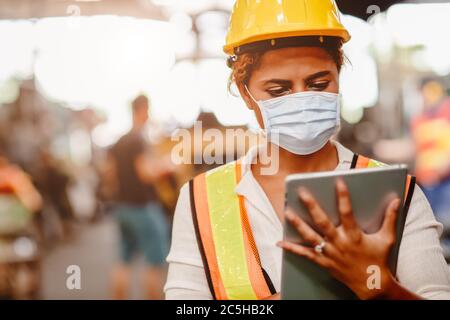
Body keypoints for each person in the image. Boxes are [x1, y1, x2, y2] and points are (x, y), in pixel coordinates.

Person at [164, 0, 450, 300]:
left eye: (318, 83)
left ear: (339, 74)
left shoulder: (397, 194)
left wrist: (379, 288)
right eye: (278, 90)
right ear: (244, 92)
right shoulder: (202, 199)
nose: (301, 100)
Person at [109, 95, 169, 300]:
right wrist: (165, 166)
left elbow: (110, 175)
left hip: (122, 207)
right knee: (154, 263)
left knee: (123, 261)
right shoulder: (138, 139)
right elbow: (146, 173)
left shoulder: (119, 142)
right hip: (142, 208)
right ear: (143, 109)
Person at [411, 80, 450, 258]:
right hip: (426, 182)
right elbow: (418, 149)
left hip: (445, 181)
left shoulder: (447, 112)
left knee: (446, 220)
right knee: (432, 225)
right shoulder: (419, 119)